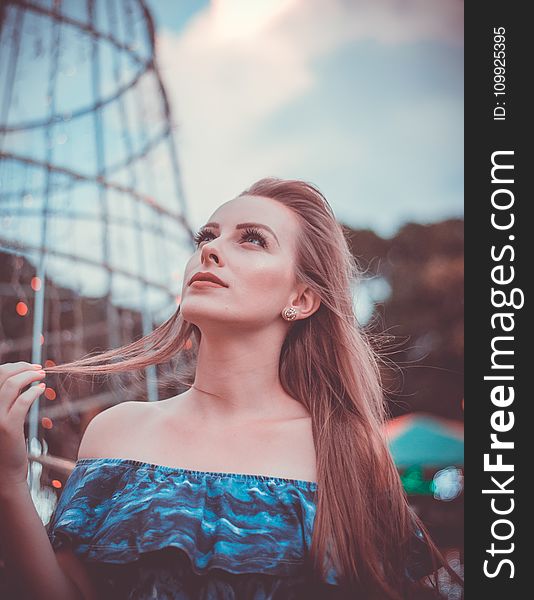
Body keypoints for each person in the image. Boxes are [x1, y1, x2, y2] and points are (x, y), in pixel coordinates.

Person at [0, 178, 463, 599]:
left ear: (300, 299)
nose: (211, 250)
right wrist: (8, 483)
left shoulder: (346, 448)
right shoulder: (116, 431)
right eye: (208, 235)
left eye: (252, 240)